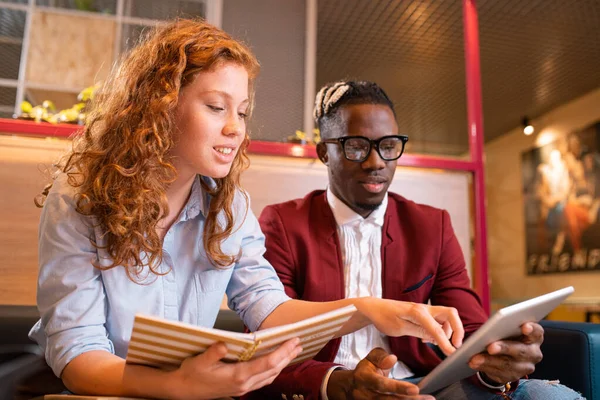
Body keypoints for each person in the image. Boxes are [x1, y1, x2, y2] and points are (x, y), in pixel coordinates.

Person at [28, 21, 465, 400]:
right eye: (216, 107)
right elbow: (79, 355)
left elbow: (269, 309)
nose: (235, 128)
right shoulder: (81, 198)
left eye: (241, 111)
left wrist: (366, 308)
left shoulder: (230, 207)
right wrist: (180, 385)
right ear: (158, 107)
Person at [248, 81, 583, 399]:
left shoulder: (431, 225)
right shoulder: (283, 223)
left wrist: (497, 358)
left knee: (544, 394)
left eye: (388, 146)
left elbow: (470, 329)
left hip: (421, 386)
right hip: (328, 387)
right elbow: (270, 345)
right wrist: (340, 384)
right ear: (324, 152)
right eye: (356, 146)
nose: (376, 161)